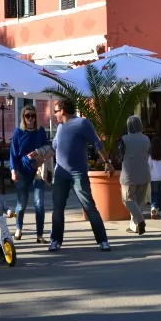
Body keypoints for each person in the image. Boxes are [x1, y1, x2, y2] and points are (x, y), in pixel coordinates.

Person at [49, 98, 113, 252]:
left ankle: (103, 240)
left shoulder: (82, 123)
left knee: (89, 206)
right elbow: (53, 148)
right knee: (58, 208)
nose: (54, 115)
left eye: (55, 111)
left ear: (62, 111)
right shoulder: (59, 128)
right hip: (60, 174)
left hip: (78, 174)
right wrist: (36, 159)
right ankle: (55, 241)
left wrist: (107, 162)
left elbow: (97, 143)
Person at [9, 104, 50, 243]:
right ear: (23, 117)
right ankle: (19, 228)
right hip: (22, 170)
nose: (30, 119)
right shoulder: (18, 132)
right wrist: (13, 171)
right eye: (27, 116)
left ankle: (39, 235)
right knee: (22, 203)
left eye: (33, 116)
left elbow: (48, 146)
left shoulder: (40, 131)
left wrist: (39, 153)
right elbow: (13, 153)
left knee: (39, 203)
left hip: (38, 169)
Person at [119, 115, 151, 236]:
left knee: (127, 199)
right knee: (139, 202)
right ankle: (135, 226)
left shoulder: (124, 139)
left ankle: (140, 220)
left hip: (129, 173)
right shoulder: (146, 139)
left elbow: (120, 155)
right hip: (144, 173)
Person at [148, 136, 161, 220]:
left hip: (154, 177)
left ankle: (153, 207)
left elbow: (149, 166)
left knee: (154, 193)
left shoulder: (151, 155)